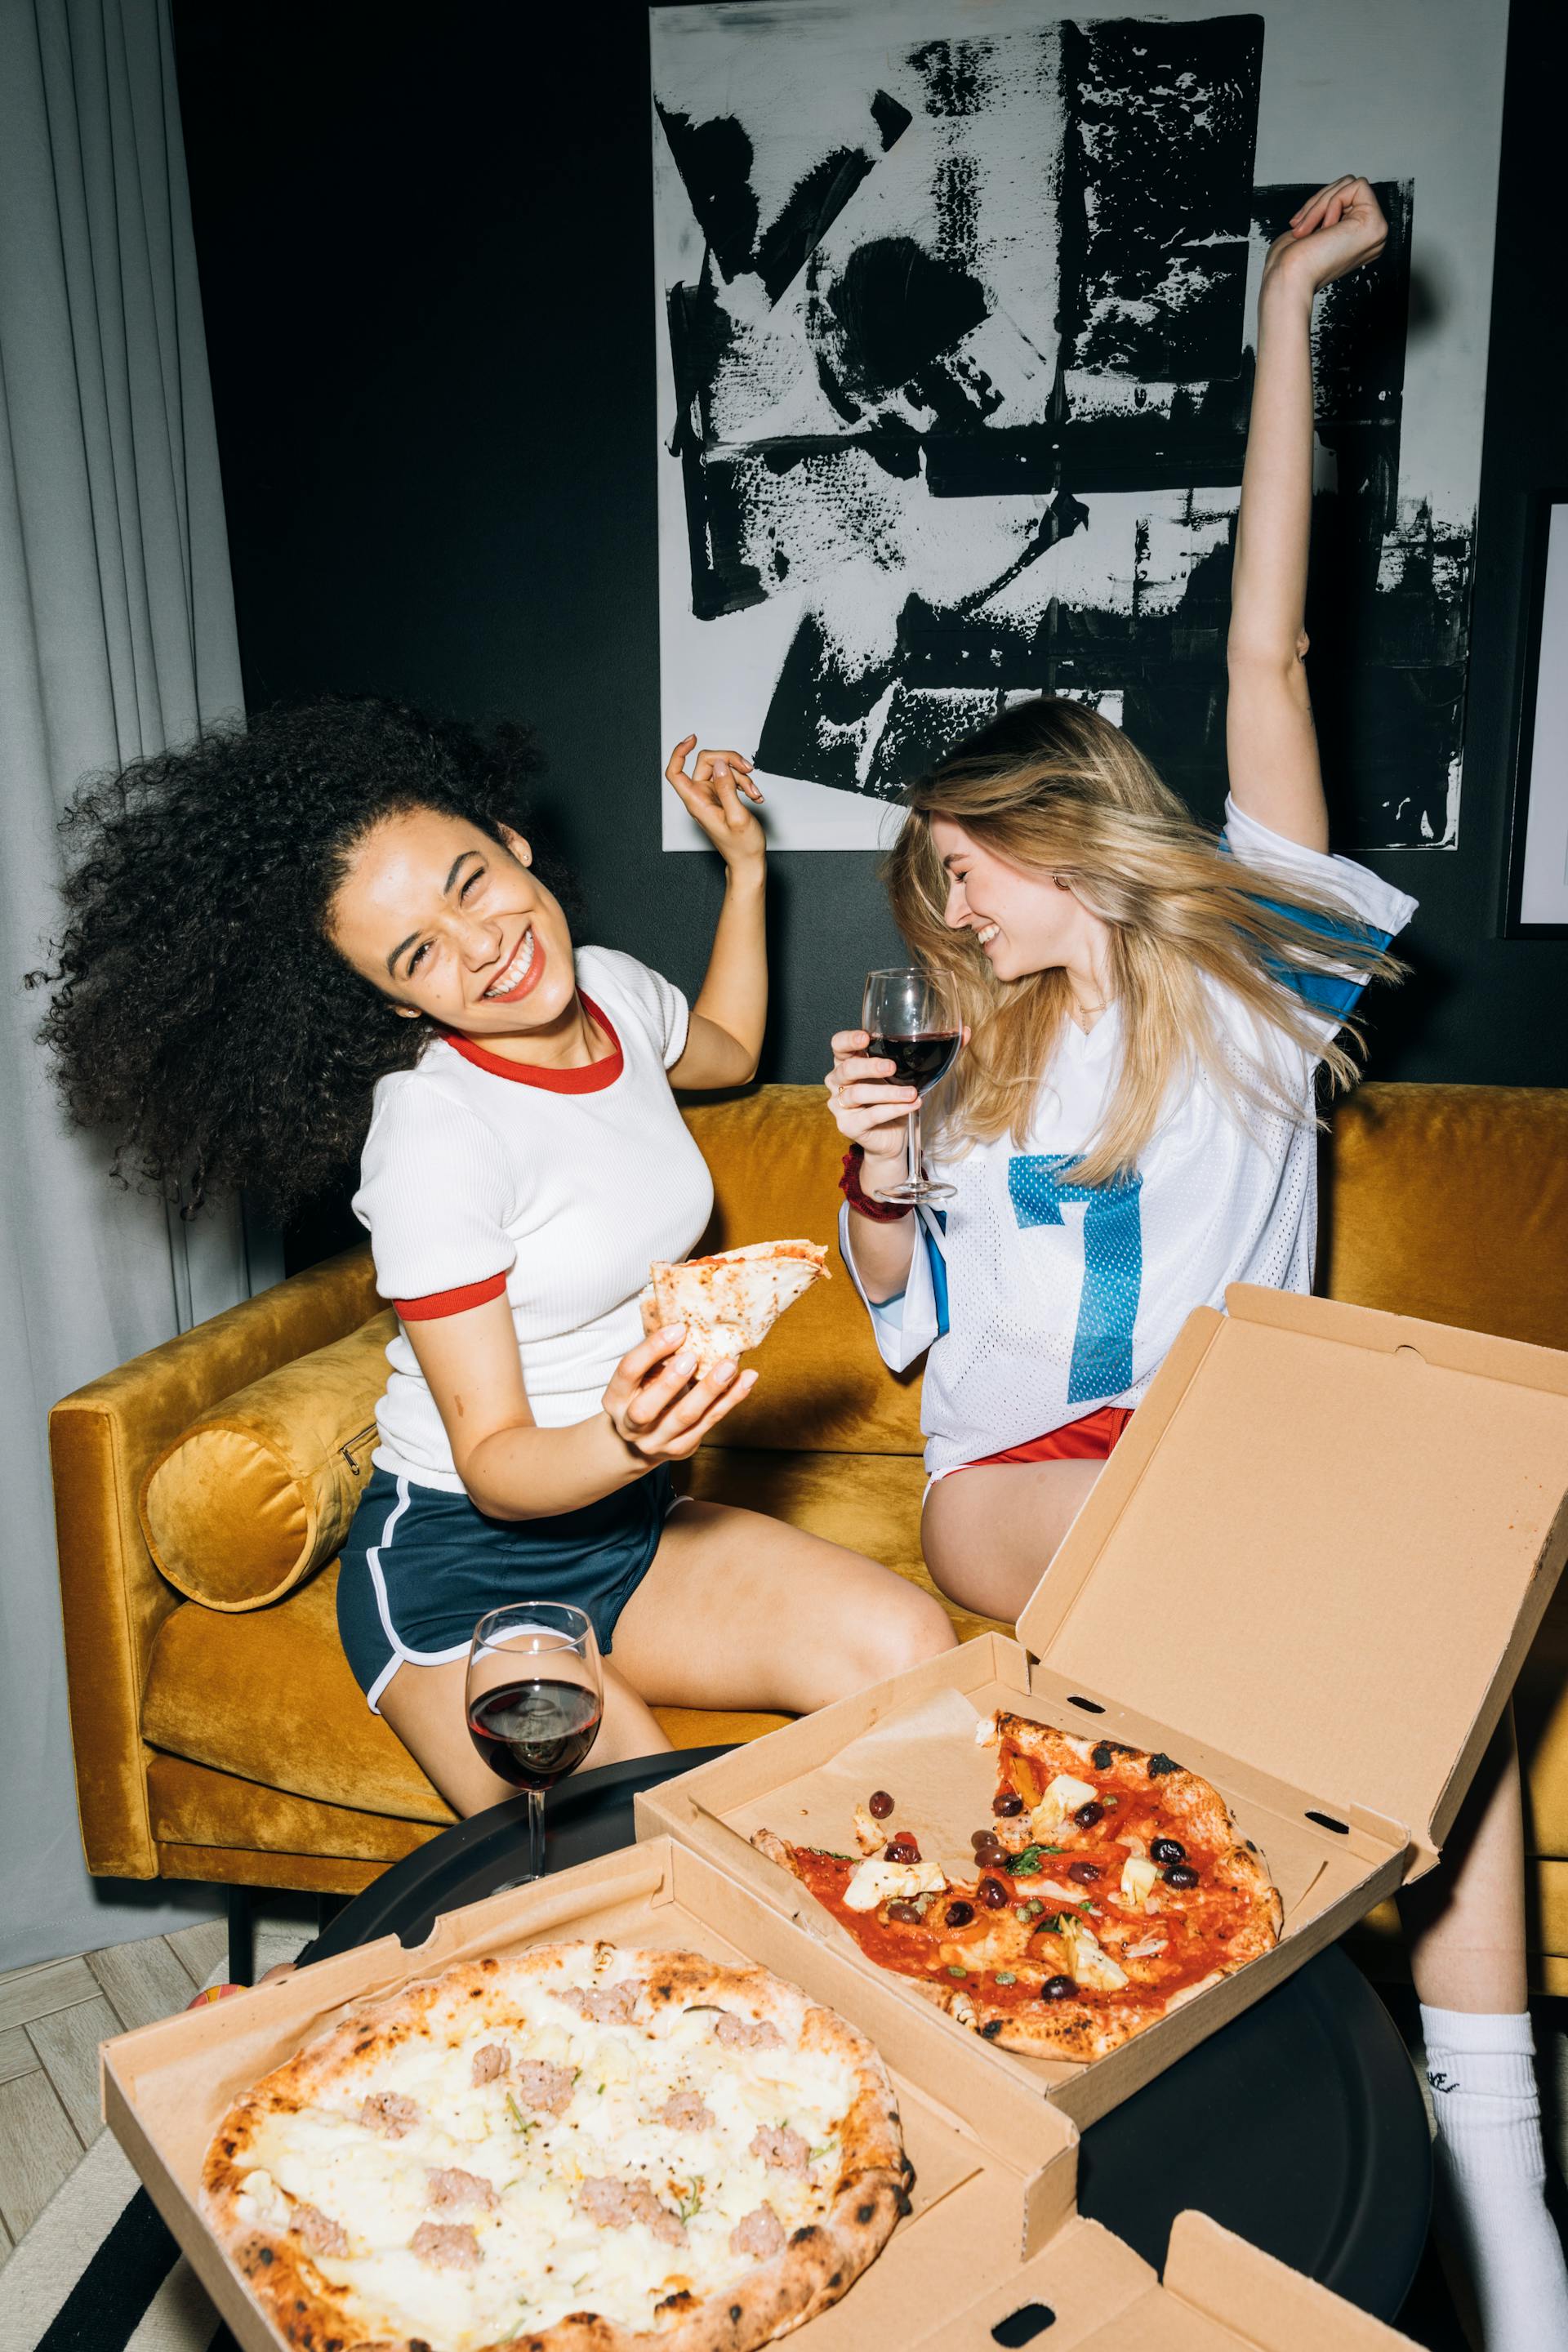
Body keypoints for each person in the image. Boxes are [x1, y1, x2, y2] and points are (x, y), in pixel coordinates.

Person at [825, 178, 1567, 2351]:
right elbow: (909, 1329)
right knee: (1243, 1607)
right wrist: (875, 1186)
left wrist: (1289, 320)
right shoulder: (948, 1074)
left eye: (978, 863)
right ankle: (1244, 2127)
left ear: (1072, 830)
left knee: (1450, 1680)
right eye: (937, 885)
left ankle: (1502, 2197)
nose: (956, 911)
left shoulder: (1262, 998)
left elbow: (1270, 646)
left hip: (1244, 1454)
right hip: (1023, 1475)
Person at [38, 698, 954, 1818]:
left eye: (468, 881)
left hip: (629, 1527)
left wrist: (749, 872)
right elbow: (497, 1464)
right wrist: (624, 1434)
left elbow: (720, 1051)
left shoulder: (609, 987)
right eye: (419, 952)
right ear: (384, 995)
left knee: (909, 1647)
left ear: (509, 840)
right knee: (641, 1856)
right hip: (467, 1564)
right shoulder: (435, 1132)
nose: (485, 949)